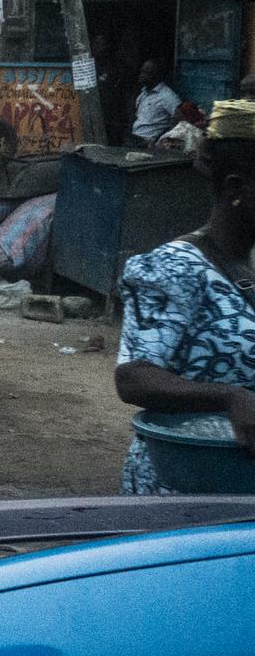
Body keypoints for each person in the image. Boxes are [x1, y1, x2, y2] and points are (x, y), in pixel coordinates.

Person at [114, 105, 255, 493]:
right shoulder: (175, 268)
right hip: (183, 483)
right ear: (236, 190)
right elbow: (133, 377)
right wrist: (230, 397)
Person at [131, 60, 182, 146]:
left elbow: (179, 121)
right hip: (135, 139)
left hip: (149, 143)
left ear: (156, 75)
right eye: (142, 72)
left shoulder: (167, 96)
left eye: (147, 73)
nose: (141, 76)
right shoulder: (143, 94)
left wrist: (161, 140)